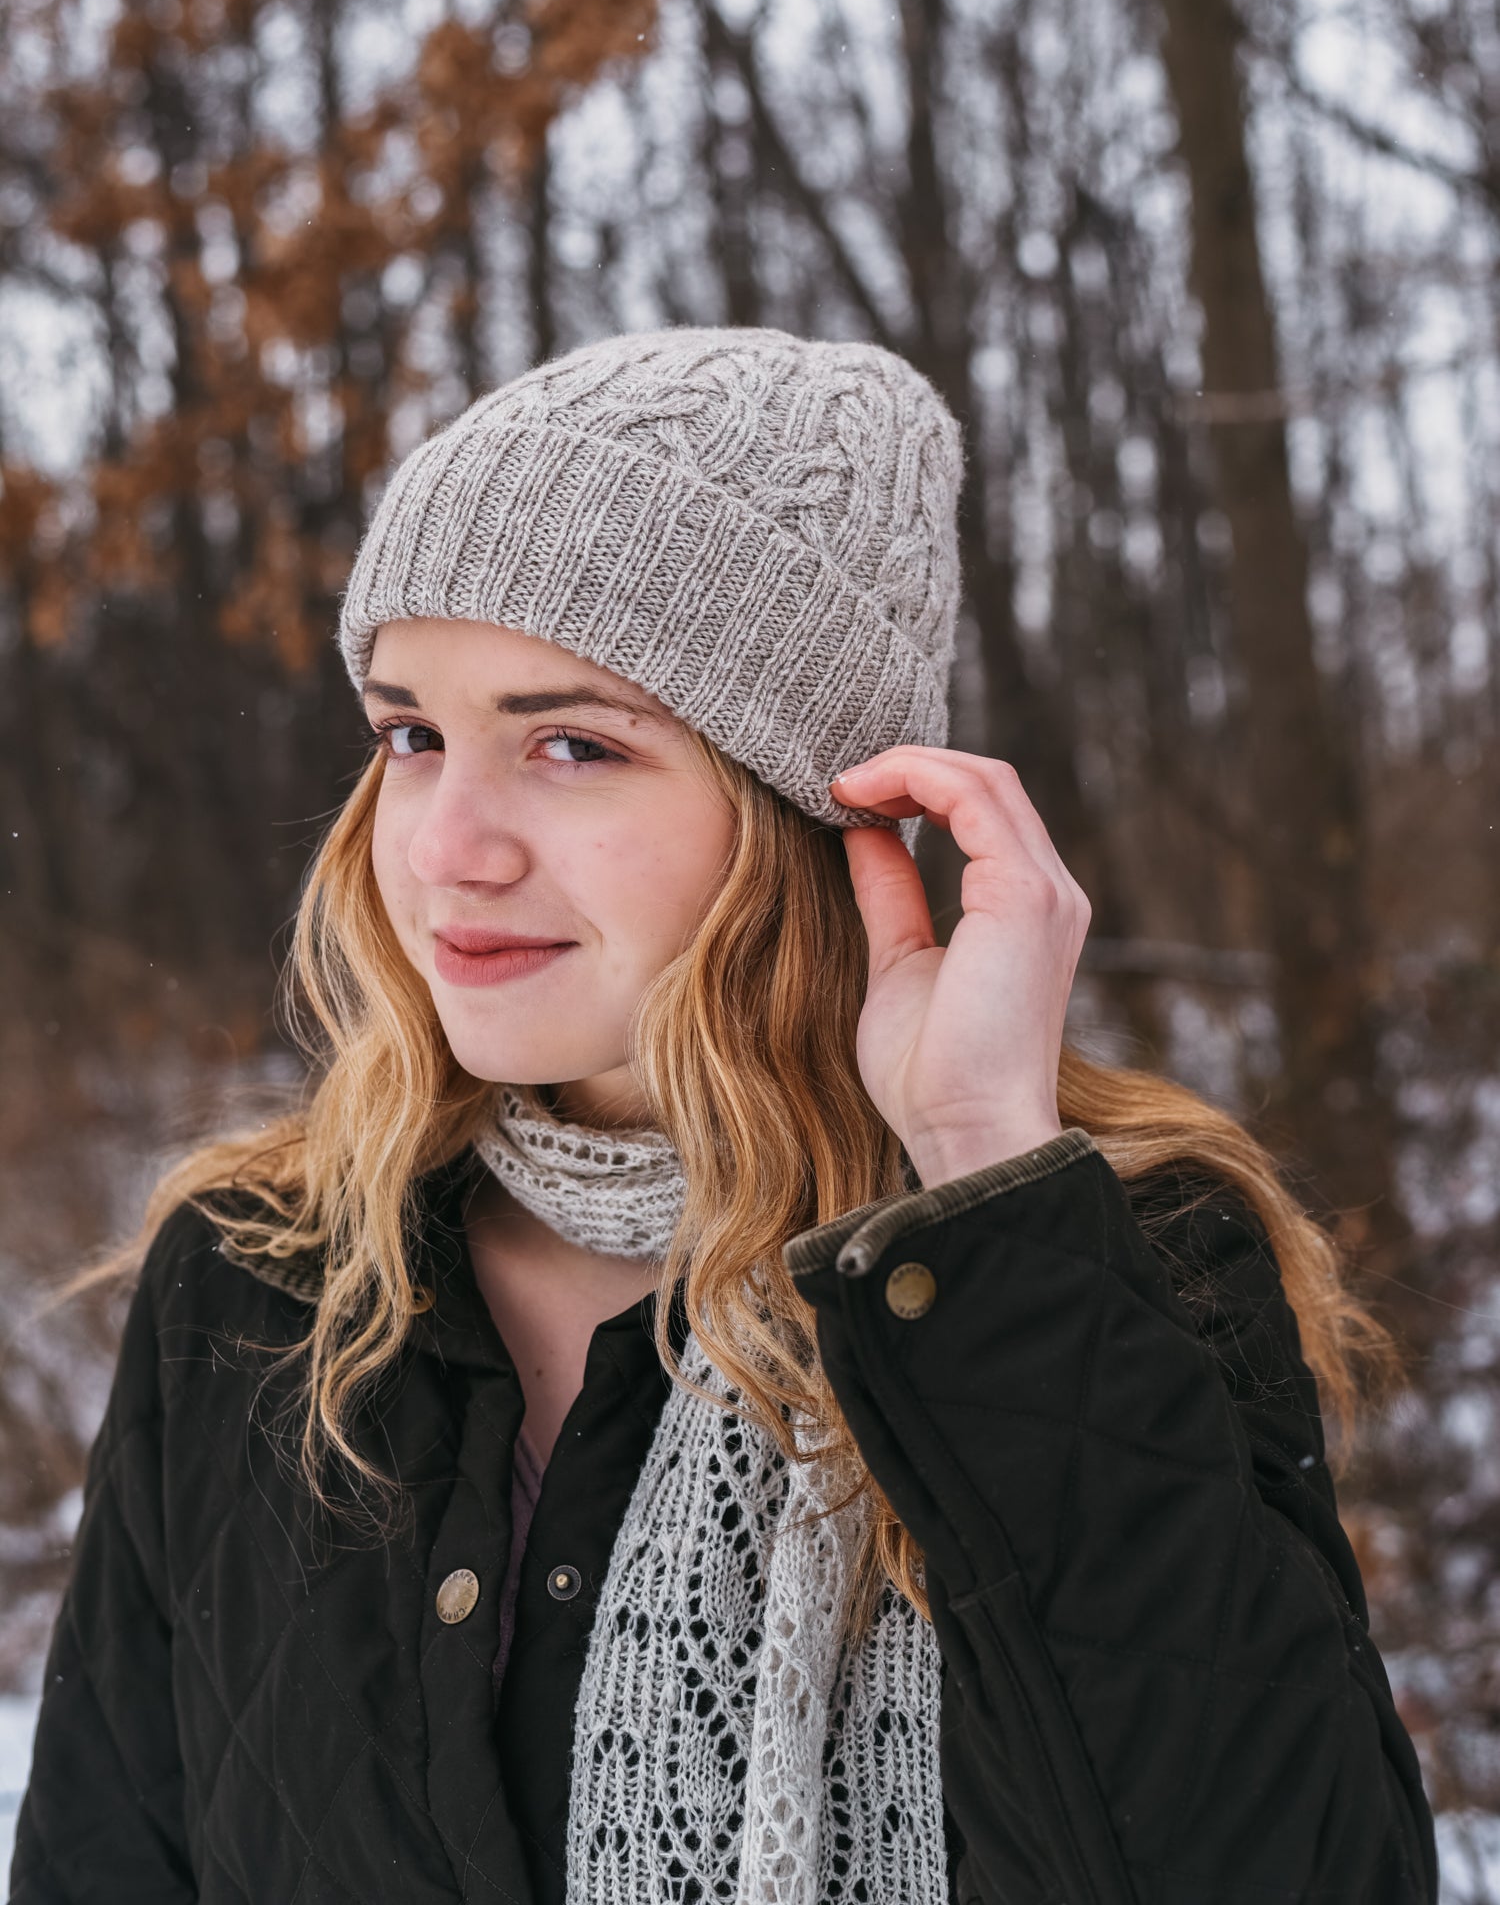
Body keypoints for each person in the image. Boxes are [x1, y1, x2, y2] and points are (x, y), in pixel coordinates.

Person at [12, 326, 1436, 1905]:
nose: (446, 847)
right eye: (413, 735)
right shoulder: (265, 1278)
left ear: (810, 812)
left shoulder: (1103, 1258)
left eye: (572, 744)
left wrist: (982, 1178)